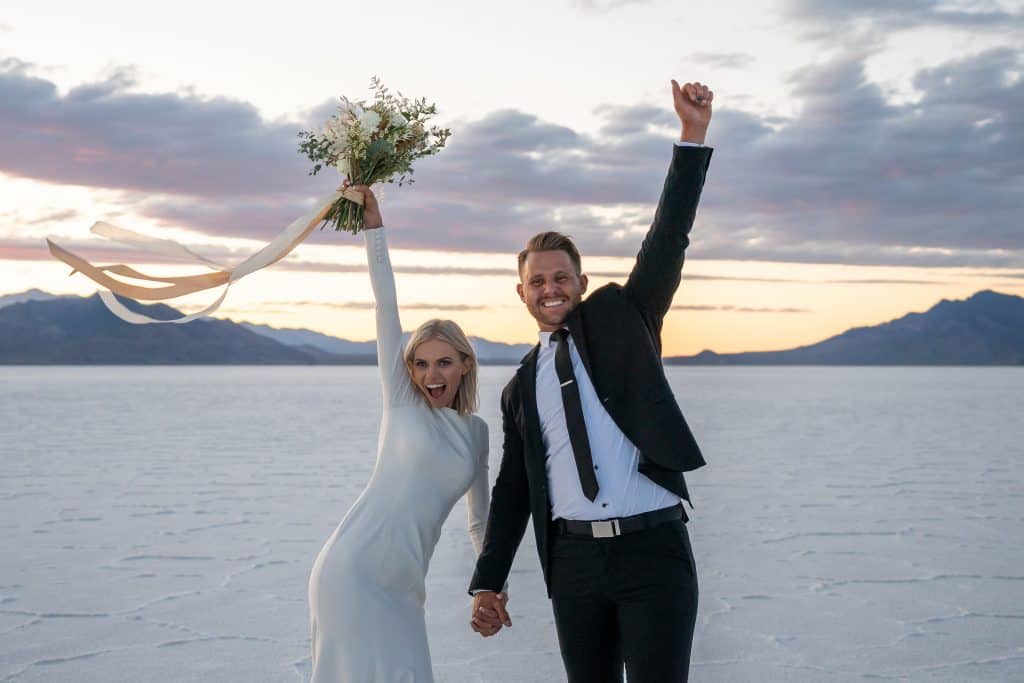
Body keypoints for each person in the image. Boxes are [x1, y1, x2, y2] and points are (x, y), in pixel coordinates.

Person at [467, 79, 715, 682]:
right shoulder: (521, 386)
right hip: (574, 562)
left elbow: (667, 240)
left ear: (580, 282)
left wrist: (692, 136)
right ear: (521, 292)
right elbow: (513, 491)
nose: (550, 289)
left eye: (560, 278)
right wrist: (488, 583)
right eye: (537, 281)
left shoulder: (626, 320)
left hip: (652, 550)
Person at [308, 184, 491, 682]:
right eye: (421, 364)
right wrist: (375, 227)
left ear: (465, 365)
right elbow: (384, 304)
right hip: (352, 571)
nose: (432, 375)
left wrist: (487, 585)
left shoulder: (476, 433)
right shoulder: (402, 402)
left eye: (444, 363)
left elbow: (479, 523)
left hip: (405, 589)